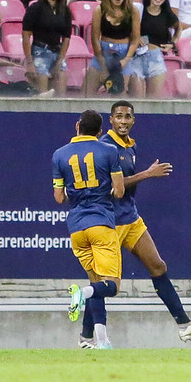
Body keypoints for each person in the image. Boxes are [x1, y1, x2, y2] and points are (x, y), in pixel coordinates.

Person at [97, 101, 191, 346]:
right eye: (118, 117)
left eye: (127, 117)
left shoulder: (130, 145)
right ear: (110, 120)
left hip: (131, 218)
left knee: (158, 266)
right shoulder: (105, 147)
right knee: (104, 283)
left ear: (133, 120)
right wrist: (147, 174)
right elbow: (113, 188)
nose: (123, 121)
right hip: (111, 221)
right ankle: (89, 337)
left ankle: (184, 325)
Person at [52, 110, 124, 350]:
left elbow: (59, 197)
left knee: (96, 283)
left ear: (77, 126)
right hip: (101, 223)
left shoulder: (59, 155)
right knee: (111, 286)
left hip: (76, 228)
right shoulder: (110, 151)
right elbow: (120, 191)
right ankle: (81, 293)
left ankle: (100, 341)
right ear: (101, 132)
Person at [85, 0, 140, 95]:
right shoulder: (100, 10)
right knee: (86, 93)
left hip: (123, 54)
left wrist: (126, 60)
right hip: (103, 52)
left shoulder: (133, 11)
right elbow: (95, 39)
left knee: (118, 94)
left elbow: (135, 39)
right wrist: (103, 66)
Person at [22, 0, 71, 96]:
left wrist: (60, 59)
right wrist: (29, 62)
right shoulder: (35, 8)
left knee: (61, 94)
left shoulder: (64, 10)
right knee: (43, 96)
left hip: (57, 53)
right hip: (40, 53)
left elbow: (66, 37)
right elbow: (26, 35)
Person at [132, 0, 176, 98]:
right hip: (137, 57)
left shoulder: (167, 13)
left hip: (156, 58)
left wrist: (173, 43)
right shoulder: (139, 10)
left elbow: (179, 27)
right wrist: (136, 37)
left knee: (152, 101)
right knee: (136, 100)